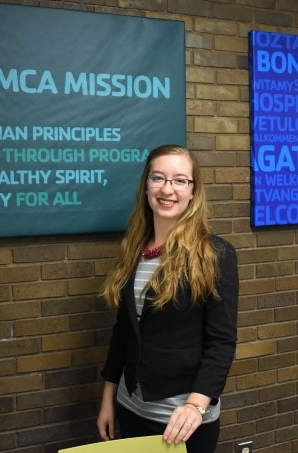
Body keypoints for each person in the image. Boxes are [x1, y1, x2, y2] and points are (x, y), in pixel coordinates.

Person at [97, 144, 239, 452]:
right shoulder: (134, 249)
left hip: (183, 421)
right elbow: (123, 332)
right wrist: (108, 398)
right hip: (130, 408)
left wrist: (195, 407)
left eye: (179, 180)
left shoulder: (214, 254)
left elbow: (222, 342)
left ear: (192, 191)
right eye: (158, 178)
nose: (167, 189)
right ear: (146, 186)